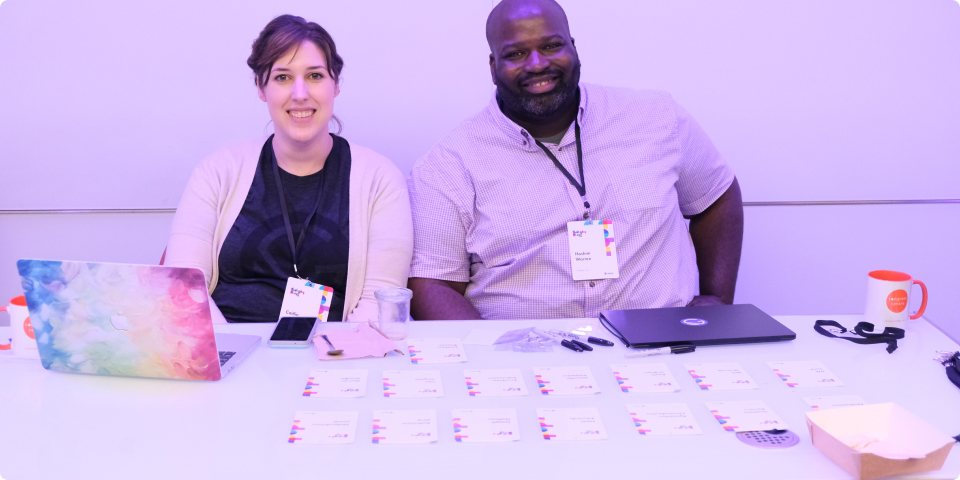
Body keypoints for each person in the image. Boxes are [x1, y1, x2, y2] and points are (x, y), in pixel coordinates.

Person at [407, 0, 744, 320]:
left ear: (573, 47)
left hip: (661, 341)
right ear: (494, 68)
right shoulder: (448, 164)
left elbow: (716, 196)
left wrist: (716, 298)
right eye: (516, 53)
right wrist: (493, 356)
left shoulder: (657, 118)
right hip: (528, 358)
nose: (537, 63)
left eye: (551, 46)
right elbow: (432, 283)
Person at [165, 15, 412, 323]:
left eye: (315, 76)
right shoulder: (217, 172)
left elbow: (382, 302)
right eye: (282, 77)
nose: (299, 94)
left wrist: (331, 356)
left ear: (336, 85)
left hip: (334, 354)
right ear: (260, 87)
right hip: (229, 349)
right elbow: (185, 287)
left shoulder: (380, 180)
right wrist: (227, 353)